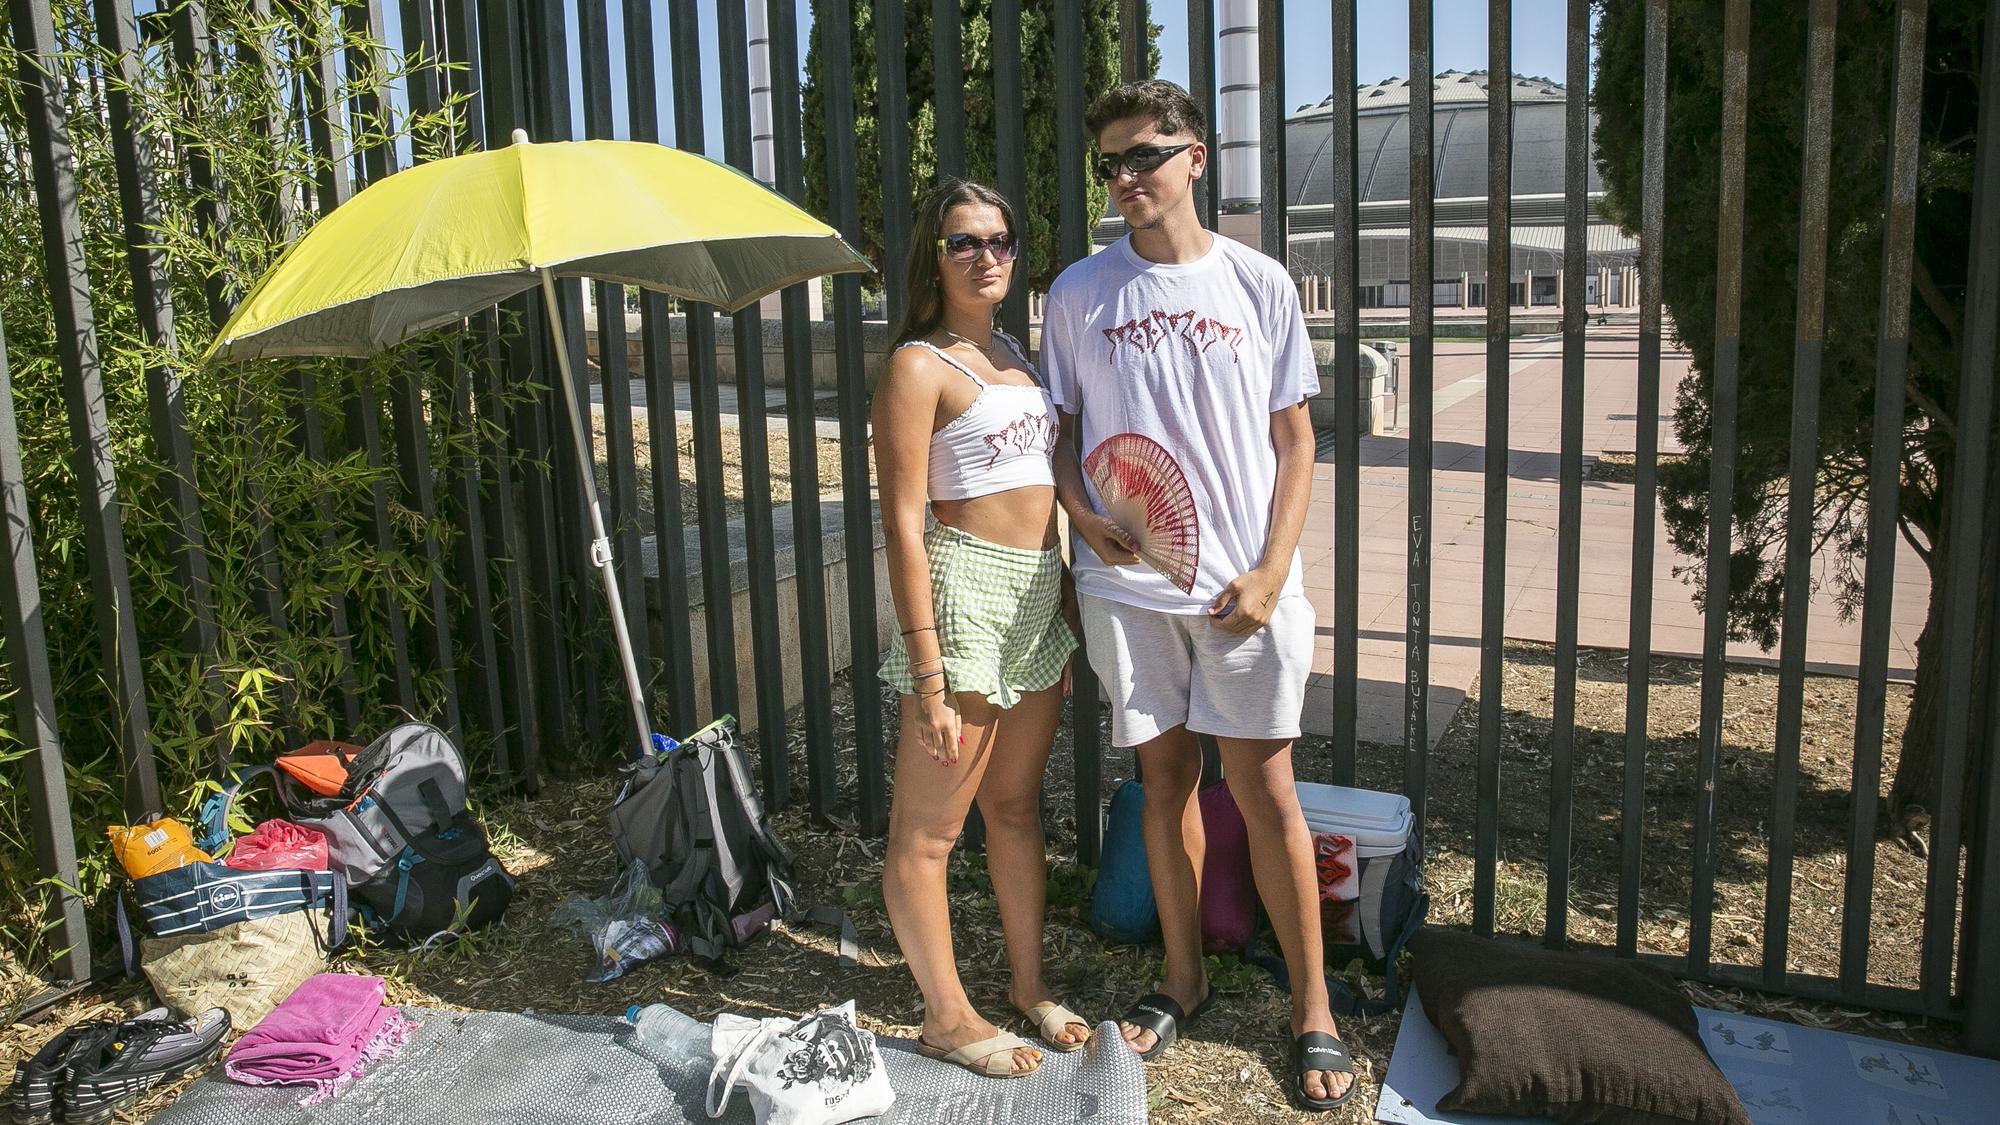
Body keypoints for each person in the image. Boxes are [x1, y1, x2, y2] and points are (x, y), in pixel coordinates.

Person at [1040, 80, 1356, 1110]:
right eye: (1109, 166)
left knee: (1267, 796)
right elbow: (1058, 432)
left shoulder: (1259, 284)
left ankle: (1311, 1007)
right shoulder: (1080, 291)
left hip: (1241, 589)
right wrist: (1077, 511)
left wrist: (1269, 572)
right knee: (1163, 785)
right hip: (1130, 592)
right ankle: (1183, 980)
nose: (1126, 179)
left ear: (1196, 156)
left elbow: (1295, 441)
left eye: (1144, 156)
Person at [872, 178, 1091, 1079]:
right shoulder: (919, 365)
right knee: (926, 834)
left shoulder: (1013, 351)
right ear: (934, 254)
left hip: (1039, 597)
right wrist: (928, 674)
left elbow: (1047, 491)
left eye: (998, 240)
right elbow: (902, 523)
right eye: (964, 242)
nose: (986, 256)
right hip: (966, 601)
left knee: (1012, 808)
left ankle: (1026, 985)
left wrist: (1067, 610)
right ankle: (946, 1015)